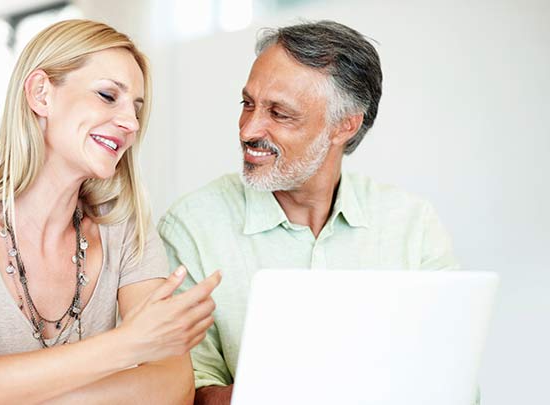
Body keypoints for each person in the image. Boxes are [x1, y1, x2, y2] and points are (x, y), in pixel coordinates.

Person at [0, 19, 221, 405]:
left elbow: (173, 387)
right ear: (41, 94)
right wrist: (128, 346)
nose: (131, 123)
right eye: (106, 95)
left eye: (136, 107)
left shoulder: (126, 228)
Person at [158, 20, 459, 405]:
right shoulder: (192, 226)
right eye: (247, 103)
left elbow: (453, 377)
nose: (249, 129)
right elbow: (181, 391)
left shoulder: (413, 226)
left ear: (344, 126)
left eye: (279, 114)